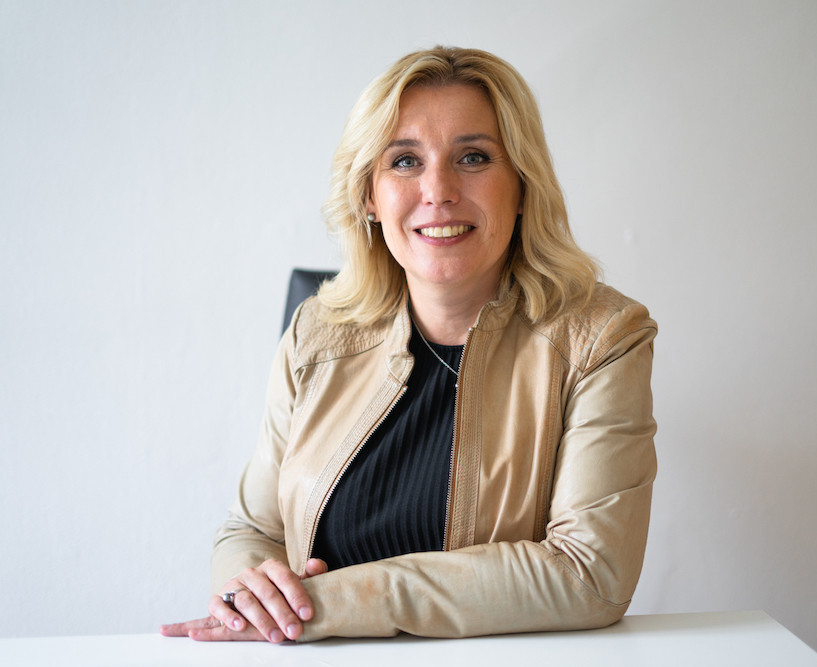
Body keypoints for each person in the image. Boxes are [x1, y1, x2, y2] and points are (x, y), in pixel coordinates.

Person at [161, 45, 657, 644]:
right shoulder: (316, 333)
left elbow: (589, 575)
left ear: (523, 185)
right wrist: (253, 594)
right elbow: (250, 530)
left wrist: (328, 603)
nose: (438, 189)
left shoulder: (602, 338)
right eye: (404, 161)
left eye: (473, 157)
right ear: (369, 196)